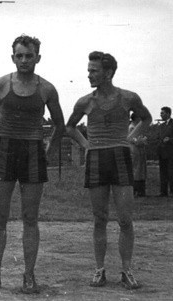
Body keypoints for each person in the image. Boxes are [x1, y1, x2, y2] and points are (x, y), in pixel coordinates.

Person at [0, 34, 65, 294]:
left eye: (29, 56)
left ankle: (29, 276)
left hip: (33, 150)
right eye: (19, 55)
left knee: (30, 217)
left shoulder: (46, 88)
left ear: (38, 57)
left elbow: (60, 125)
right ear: (12, 57)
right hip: (4, 151)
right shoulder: (0, 85)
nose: (24, 60)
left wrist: (48, 148)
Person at [66, 51, 152, 290]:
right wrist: (87, 146)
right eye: (89, 70)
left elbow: (147, 118)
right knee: (99, 218)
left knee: (125, 218)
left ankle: (126, 270)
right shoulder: (85, 101)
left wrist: (129, 138)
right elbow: (70, 127)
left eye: (94, 71)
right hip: (97, 158)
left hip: (120, 156)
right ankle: (99, 270)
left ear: (108, 73)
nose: (89, 75)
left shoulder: (128, 98)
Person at [129, 112, 148, 197]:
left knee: (141, 169)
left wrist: (143, 140)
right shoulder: (132, 127)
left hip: (140, 151)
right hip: (135, 150)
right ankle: (136, 190)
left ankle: (141, 190)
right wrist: (142, 140)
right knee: (136, 169)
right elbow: (134, 140)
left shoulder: (137, 127)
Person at [157, 106, 173, 197]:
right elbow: (158, 137)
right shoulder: (161, 126)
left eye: (162, 113)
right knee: (162, 173)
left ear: (168, 113)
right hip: (162, 152)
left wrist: (170, 139)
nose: (160, 115)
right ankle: (163, 192)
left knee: (171, 172)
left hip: (171, 153)